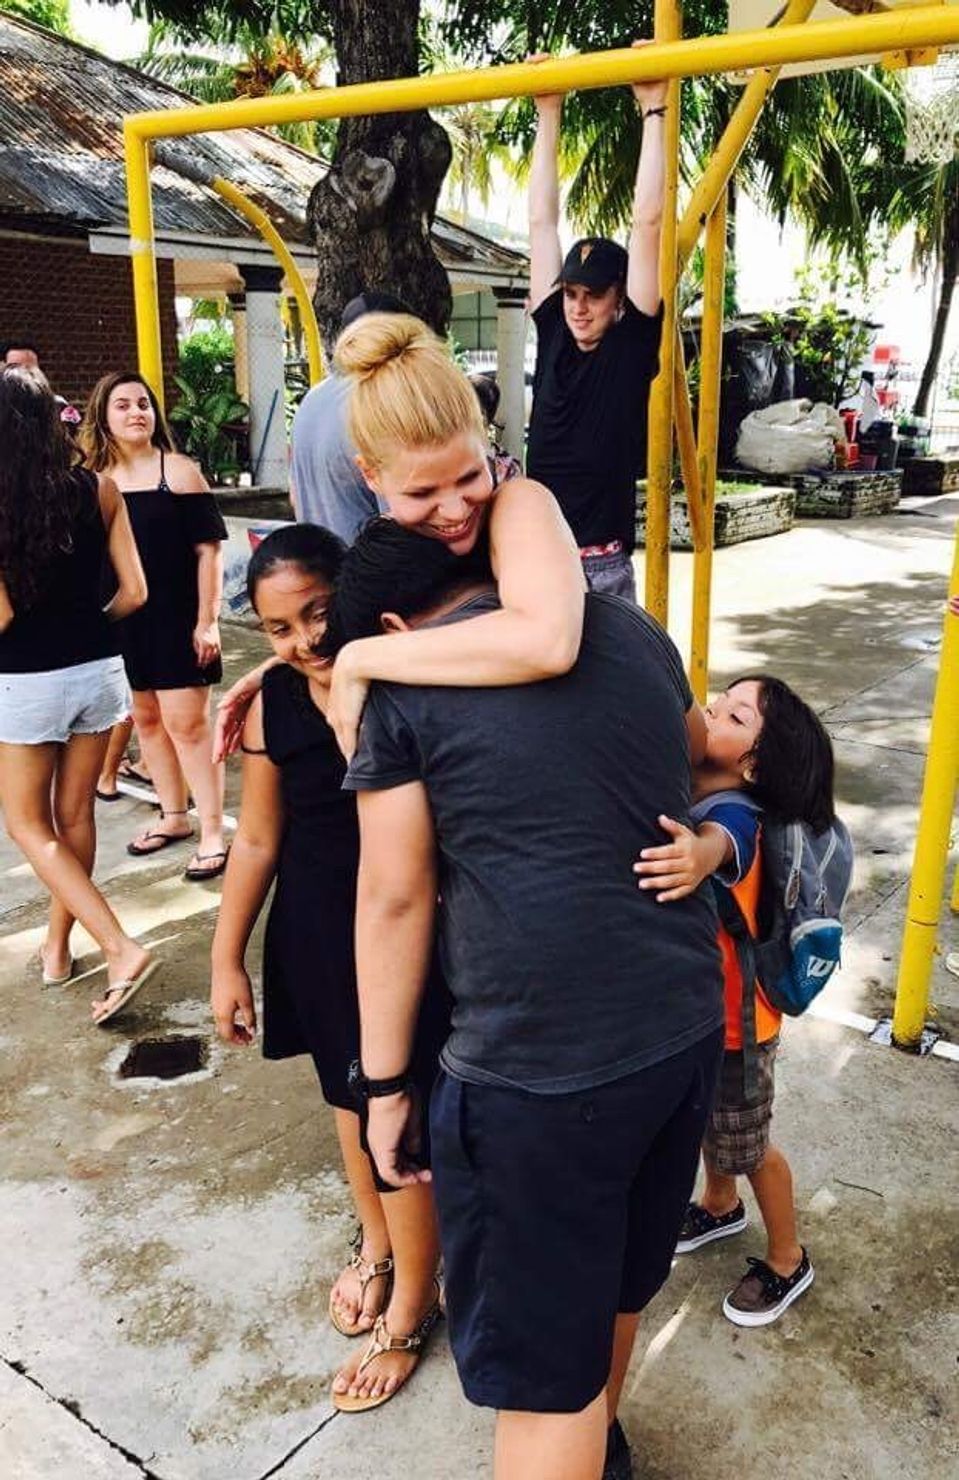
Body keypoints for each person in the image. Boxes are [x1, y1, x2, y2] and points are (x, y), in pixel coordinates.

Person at [328, 517, 724, 1480]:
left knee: (545, 1381)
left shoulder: (401, 689)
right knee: (615, 1288)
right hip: (682, 1025)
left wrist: (384, 1086)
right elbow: (693, 755)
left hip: (539, 1075)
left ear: (392, 628)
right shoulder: (629, 629)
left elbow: (393, 899)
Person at [210, 523, 450, 1411]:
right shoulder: (272, 701)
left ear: (350, 596)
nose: (305, 640)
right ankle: (378, 1246)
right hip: (315, 932)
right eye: (279, 628)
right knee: (347, 1103)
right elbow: (256, 838)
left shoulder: (403, 676)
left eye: (318, 613)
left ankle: (413, 1306)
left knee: (399, 1112)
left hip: (401, 934)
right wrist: (225, 957)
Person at [214, 312, 585, 766]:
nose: (455, 510)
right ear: (370, 475)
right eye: (422, 493)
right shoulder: (390, 541)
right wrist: (280, 670)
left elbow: (548, 641)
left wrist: (361, 658)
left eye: (471, 475)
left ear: (486, 444)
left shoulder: (518, 503)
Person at [633, 677, 835, 1326]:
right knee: (707, 1127)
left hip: (737, 1031)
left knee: (747, 1148)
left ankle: (787, 1258)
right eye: (718, 701)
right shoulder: (697, 789)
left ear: (751, 763)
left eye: (733, 715)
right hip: (697, 1021)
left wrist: (698, 854)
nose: (711, 710)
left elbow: (727, 843)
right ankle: (720, 1206)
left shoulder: (737, 813)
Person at [0, 366, 158, 1025]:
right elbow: (135, 593)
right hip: (99, 671)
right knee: (75, 818)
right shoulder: (100, 488)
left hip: (25, 680)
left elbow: (3, 617)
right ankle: (58, 949)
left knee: (27, 826)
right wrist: (87, 627)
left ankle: (119, 948)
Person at [526, 42, 667, 602]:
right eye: (571, 294)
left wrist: (653, 110)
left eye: (594, 296)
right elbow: (541, 223)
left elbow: (648, 222)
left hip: (599, 568)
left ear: (619, 301)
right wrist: (548, 111)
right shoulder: (554, 332)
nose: (578, 307)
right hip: (538, 558)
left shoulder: (630, 346)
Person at [79, 373, 229, 881]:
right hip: (121, 621)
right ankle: (174, 816)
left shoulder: (179, 472)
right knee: (145, 721)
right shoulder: (93, 480)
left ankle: (213, 832)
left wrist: (207, 621)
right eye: (122, 405)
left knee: (188, 725)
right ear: (103, 416)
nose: (136, 412)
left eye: (143, 403)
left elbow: (209, 552)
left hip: (177, 618)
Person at [288, 291, 411, 539]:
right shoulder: (381, 403)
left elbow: (294, 495)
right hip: (368, 560)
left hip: (316, 558)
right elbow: (402, 520)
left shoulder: (312, 400)